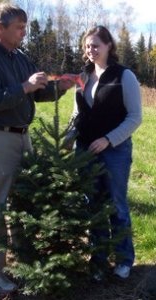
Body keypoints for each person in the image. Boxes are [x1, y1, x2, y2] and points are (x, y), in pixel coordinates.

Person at [0, 3, 73, 294]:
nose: (24, 32)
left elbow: (36, 93)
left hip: (21, 137)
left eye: (25, 26)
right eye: (19, 27)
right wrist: (25, 86)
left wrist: (59, 87)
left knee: (22, 204)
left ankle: (23, 265)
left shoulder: (20, 57)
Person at [66, 25, 142, 280]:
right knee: (93, 206)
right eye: (87, 46)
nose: (91, 50)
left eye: (96, 45)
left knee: (117, 206)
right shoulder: (83, 75)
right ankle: (98, 261)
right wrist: (68, 137)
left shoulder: (124, 76)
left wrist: (109, 140)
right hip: (85, 150)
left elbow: (135, 118)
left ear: (109, 46)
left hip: (115, 152)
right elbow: (78, 112)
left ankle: (123, 260)